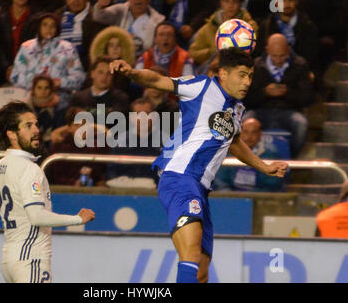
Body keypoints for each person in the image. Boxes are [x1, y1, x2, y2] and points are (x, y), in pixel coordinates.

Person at [110, 47, 288, 283]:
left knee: (201, 271)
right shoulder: (201, 87)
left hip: (200, 188)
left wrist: (263, 166)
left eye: (250, 76)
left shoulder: (236, 108)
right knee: (191, 254)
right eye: (242, 74)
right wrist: (132, 72)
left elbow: (233, 142)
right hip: (179, 177)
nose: (247, 82)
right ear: (224, 74)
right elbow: (156, 80)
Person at [0, 101, 95, 283]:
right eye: (28, 126)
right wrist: (77, 219)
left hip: (10, 261)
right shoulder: (29, 169)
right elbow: (37, 217)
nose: (36, 130)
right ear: (12, 134)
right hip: (31, 259)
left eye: (36, 124)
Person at [243, 33, 313, 158]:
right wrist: (265, 93)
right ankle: (248, 158)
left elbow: (307, 98)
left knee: (301, 124)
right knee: (244, 121)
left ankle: (290, 158)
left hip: (289, 112)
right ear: (267, 50)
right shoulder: (255, 66)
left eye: (282, 56)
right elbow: (246, 100)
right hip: (260, 111)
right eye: (274, 56)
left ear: (288, 50)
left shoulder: (300, 65)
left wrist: (288, 93)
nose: (278, 60)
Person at [10, 12, 85, 113]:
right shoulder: (26, 47)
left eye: (52, 25)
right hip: (29, 98)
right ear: (39, 27)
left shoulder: (68, 48)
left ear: (57, 28)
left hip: (59, 99)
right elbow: (15, 76)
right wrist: (37, 87)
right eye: (45, 24)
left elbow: (79, 78)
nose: (48, 28)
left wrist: (60, 82)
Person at [188, 0, 258, 69]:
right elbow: (193, 52)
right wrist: (212, 52)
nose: (230, 5)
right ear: (221, 2)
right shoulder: (209, 26)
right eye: (226, 1)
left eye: (235, 1)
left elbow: (249, 51)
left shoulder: (249, 26)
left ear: (240, 4)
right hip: (213, 68)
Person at [255, 0, 319, 73]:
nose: (287, 4)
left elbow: (311, 57)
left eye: (290, 0)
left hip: (298, 74)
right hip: (269, 74)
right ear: (276, 3)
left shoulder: (308, 27)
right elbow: (260, 54)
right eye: (282, 0)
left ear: (296, 1)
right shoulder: (266, 26)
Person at [212, 118, 288, 192]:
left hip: (259, 198)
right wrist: (231, 196)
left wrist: (249, 197)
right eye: (245, 132)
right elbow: (220, 181)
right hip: (231, 198)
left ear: (260, 135)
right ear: (239, 133)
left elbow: (272, 185)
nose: (249, 137)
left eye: (253, 132)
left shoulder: (271, 153)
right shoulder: (228, 151)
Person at [93, 0, 165, 57]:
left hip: (143, 61)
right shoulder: (120, 10)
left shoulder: (158, 21)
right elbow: (98, 16)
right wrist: (100, 5)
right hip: (117, 59)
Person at [0, 0, 37, 86]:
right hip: (4, 65)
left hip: (29, 65)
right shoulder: (1, 15)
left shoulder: (36, 17)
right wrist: (7, 66)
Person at [55, 0, 107, 71]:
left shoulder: (95, 18)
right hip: (58, 64)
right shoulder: (57, 16)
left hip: (85, 67)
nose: (76, 0)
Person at [25, 74, 63, 148]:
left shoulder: (59, 107)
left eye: (47, 88)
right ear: (33, 89)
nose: (43, 91)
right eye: (39, 88)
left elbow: (59, 130)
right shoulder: (25, 106)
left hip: (51, 143)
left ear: (51, 89)